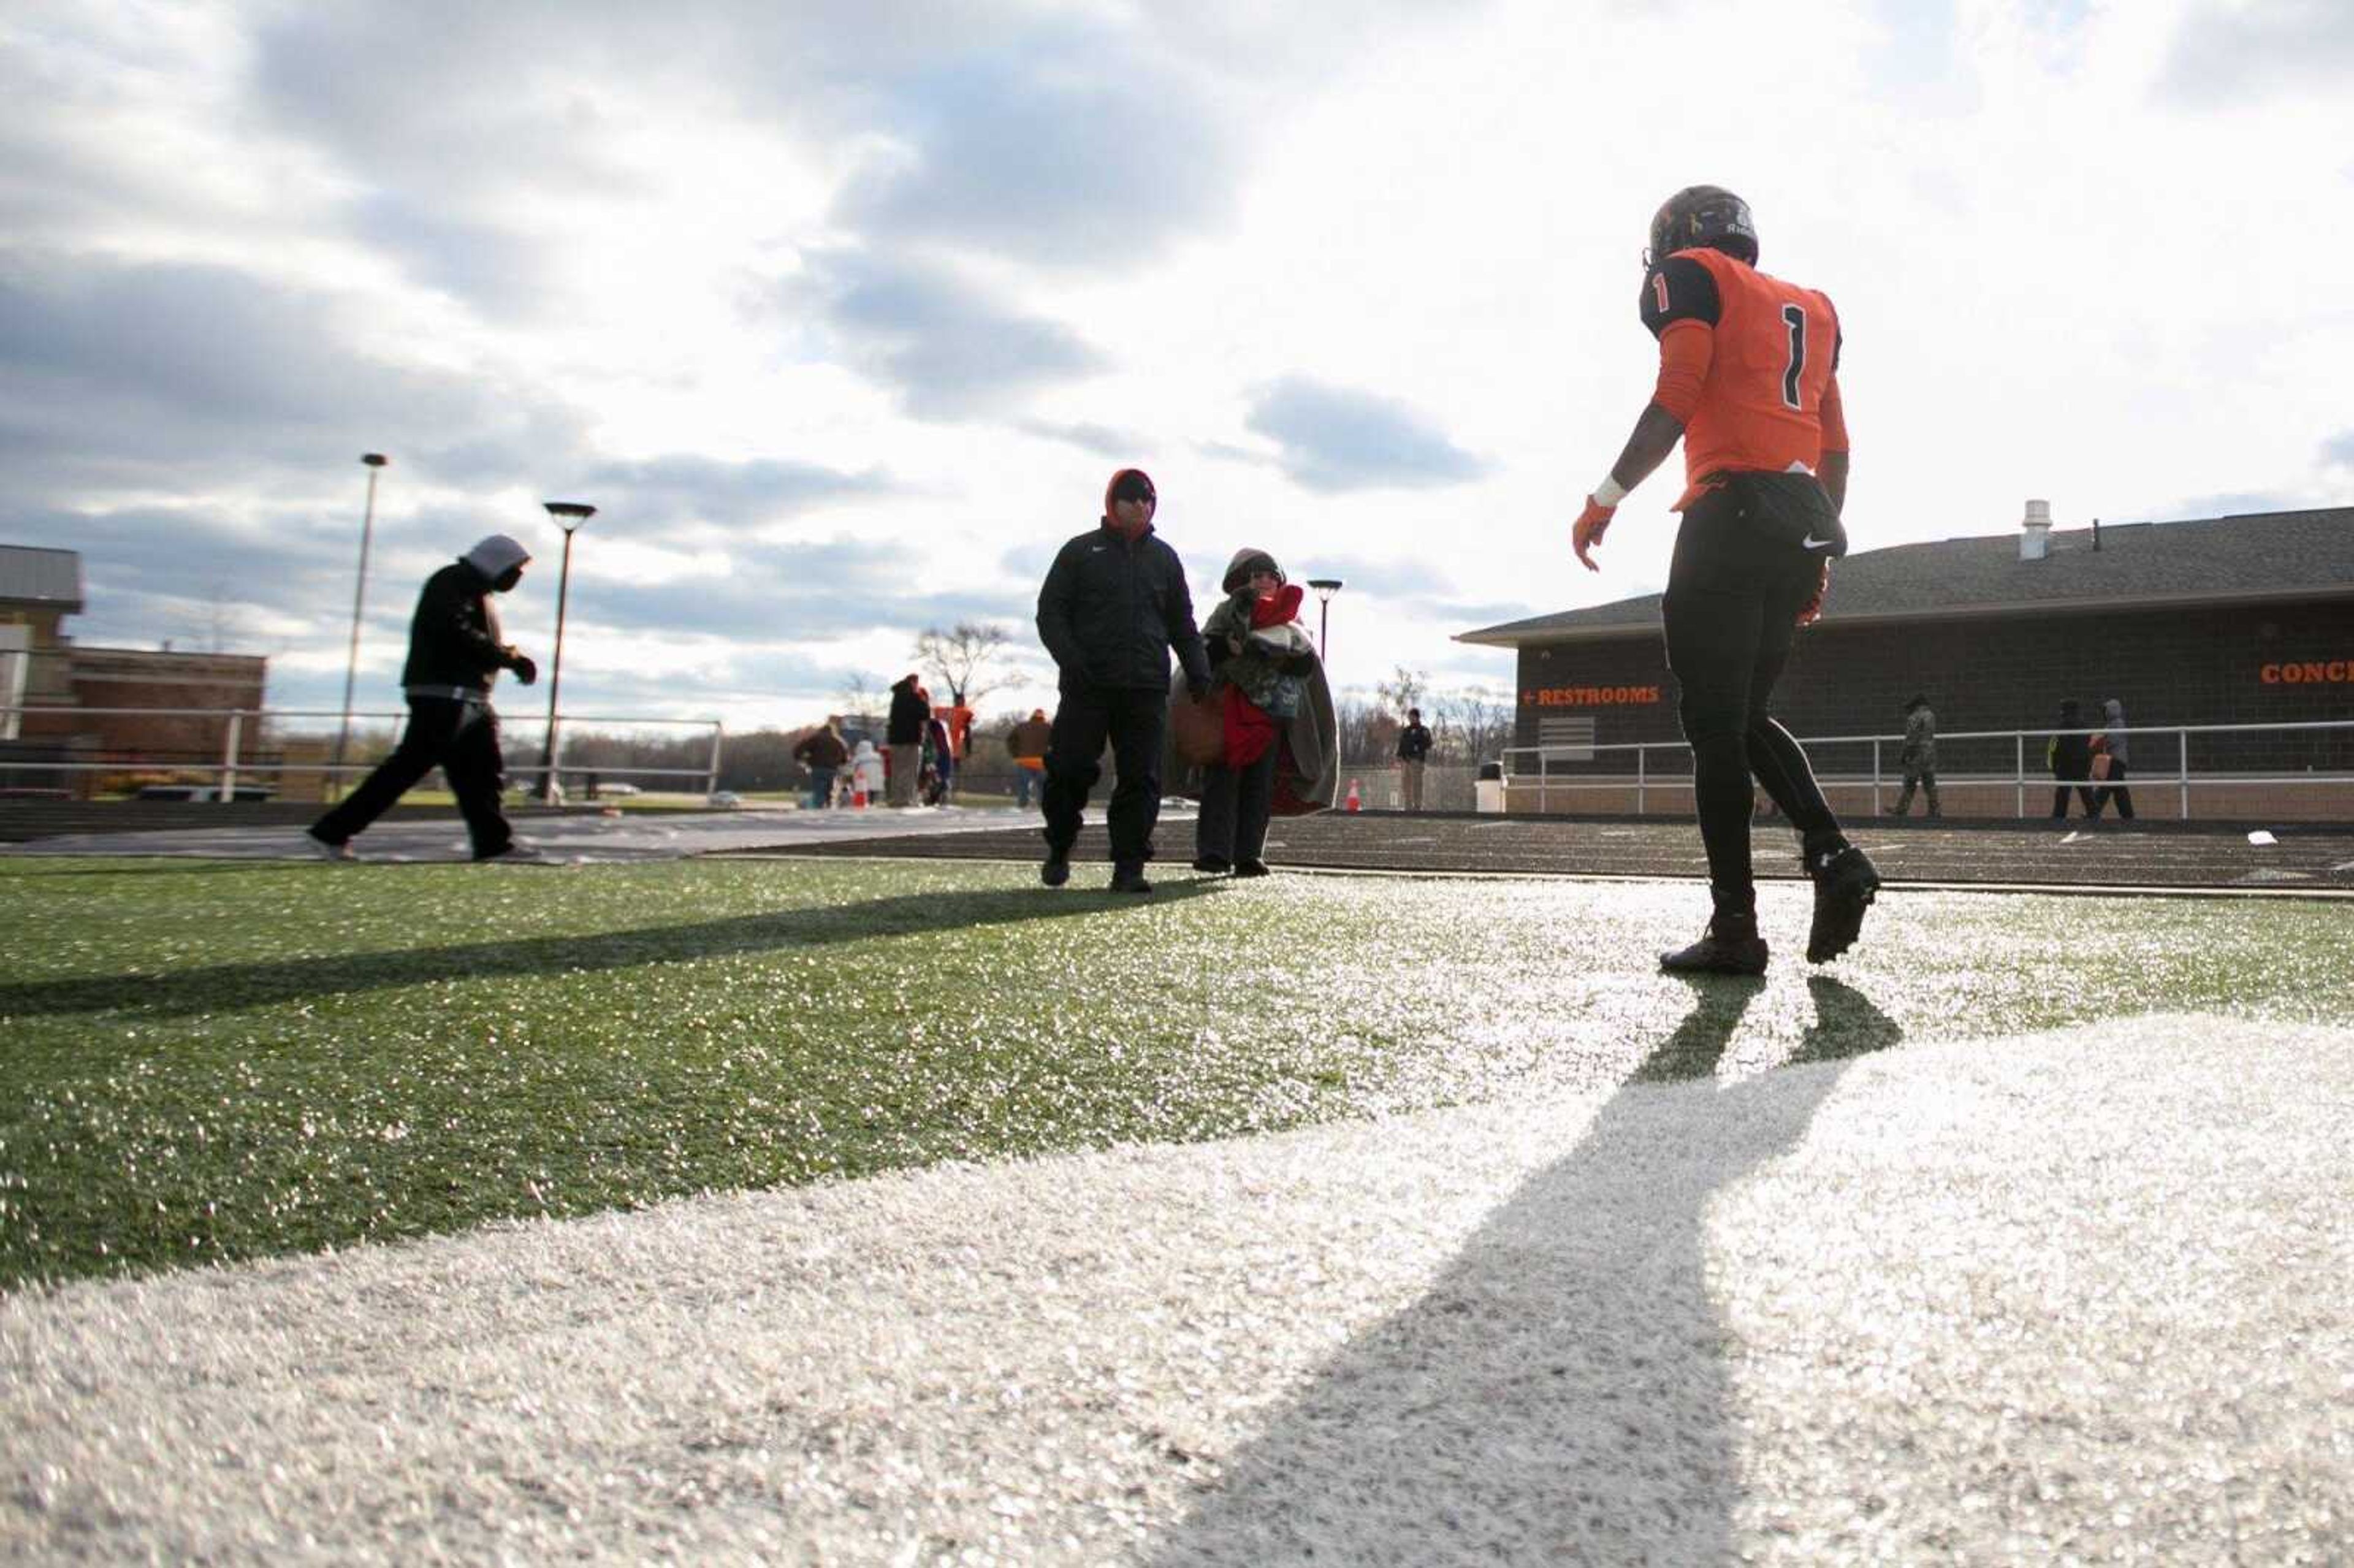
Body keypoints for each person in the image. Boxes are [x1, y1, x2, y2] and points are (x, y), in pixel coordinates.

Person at [1569, 185, 1878, 975]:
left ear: (1677, 237)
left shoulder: (1691, 275)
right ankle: (1830, 851)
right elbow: (1836, 446)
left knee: (1714, 725)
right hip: (1796, 520)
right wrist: (1820, 551)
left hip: (1727, 514)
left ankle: (1736, 927)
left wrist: (1603, 499)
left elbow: (1676, 396)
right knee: (1743, 714)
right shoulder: (1814, 306)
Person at [307, 534, 539, 862]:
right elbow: (453, 630)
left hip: (469, 697)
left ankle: (493, 844)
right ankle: (330, 832)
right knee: (410, 769)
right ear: (496, 562)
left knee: (482, 775)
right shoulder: (452, 582)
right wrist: (507, 658)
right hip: (445, 695)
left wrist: (506, 659)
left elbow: (464, 633)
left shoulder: (476, 592)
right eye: (515, 569)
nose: (517, 578)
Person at [1034, 466, 1212, 893]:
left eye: (1148, 499)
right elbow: (1050, 613)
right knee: (1070, 770)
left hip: (1146, 687)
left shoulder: (1165, 559)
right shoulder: (1079, 552)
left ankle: (1129, 865)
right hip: (1087, 687)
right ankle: (1060, 846)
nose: (1140, 505)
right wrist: (1072, 660)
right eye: (1132, 497)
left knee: (1142, 777)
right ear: (1112, 503)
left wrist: (1199, 669)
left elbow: (1181, 623)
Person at [1193, 548, 1318, 876]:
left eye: (1271, 576)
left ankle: (1249, 854)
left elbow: (1306, 666)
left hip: (1270, 715)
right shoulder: (1227, 611)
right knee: (1222, 780)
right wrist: (1230, 649)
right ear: (1244, 580)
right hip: (1229, 710)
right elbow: (1205, 651)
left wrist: (1284, 655)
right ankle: (1214, 852)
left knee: (1259, 785)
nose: (1264, 581)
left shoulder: (1294, 623)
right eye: (1257, 575)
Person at [1892, 695, 1940, 818]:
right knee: (1929, 782)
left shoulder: (1914, 717)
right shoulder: (1931, 715)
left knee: (1910, 782)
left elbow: (1911, 738)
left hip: (1917, 754)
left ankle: (1901, 809)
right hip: (1930, 753)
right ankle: (1935, 809)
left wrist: (1904, 755)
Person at [2049, 699, 2097, 819]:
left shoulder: (2061, 727)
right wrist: (2089, 763)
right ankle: (2094, 815)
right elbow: (2090, 745)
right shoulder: (2085, 726)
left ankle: (2058, 818)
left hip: (2065, 765)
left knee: (2062, 794)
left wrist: (2054, 766)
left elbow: (2054, 748)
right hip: (2082, 763)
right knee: (2086, 792)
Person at [885, 674, 928, 807]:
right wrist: (922, 700)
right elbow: (925, 714)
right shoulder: (914, 697)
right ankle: (907, 798)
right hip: (911, 739)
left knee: (897, 770)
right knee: (910, 770)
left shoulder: (896, 697)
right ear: (914, 683)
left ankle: (896, 798)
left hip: (895, 740)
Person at [2089, 697, 2136, 821]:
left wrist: (2099, 738)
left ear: (2112, 711)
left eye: (2105, 710)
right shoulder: (2112, 724)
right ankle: (2128, 816)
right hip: (2115, 760)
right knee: (2120, 790)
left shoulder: (2118, 723)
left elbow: (2112, 740)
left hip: (2116, 761)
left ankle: (2093, 812)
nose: (2104, 713)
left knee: (2105, 788)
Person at [793, 715, 850, 809]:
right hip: (832, 769)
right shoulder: (838, 741)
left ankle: (819, 808)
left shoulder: (815, 739)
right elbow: (845, 757)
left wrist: (800, 759)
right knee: (829, 790)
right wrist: (840, 763)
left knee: (818, 790)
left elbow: (800, 748)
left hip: (817, 768)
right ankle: (828, 807)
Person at [1006, 708, 1051, 809]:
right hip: (1041, 763)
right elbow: (1056, 743)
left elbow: (1010, 740)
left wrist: (1015, 755)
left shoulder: (1022, 727)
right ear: (1043, 717)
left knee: (1023, 786)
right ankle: (1043, 806)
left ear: (1032, 716)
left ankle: (1022, 806)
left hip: (1024, 761)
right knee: (1042, 787)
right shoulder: (1048, 728)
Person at [1396, 706, 1434, 811]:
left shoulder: (1423, 730)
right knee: (1406, 784)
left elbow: (1429, 744)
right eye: (1409, 716)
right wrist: (1399, 756)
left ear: (1417, 717)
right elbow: (1402, 744)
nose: (1410, 718)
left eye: (1412, 716)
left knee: (1417, 783)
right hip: (1406, 761)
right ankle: (1407, 806)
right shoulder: (1406, 730)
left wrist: (1418, 747)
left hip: (1417, 760)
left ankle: (1417, 806)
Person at [848, 737, 886, 806]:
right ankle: (873, 803)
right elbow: (883, 766)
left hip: (863, 778)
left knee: (864, 791)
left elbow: (852, 767)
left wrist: (850, 776)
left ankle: (866, 803)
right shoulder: (878, 756)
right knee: (873, 791)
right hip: (877, 778)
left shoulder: (859, 757)